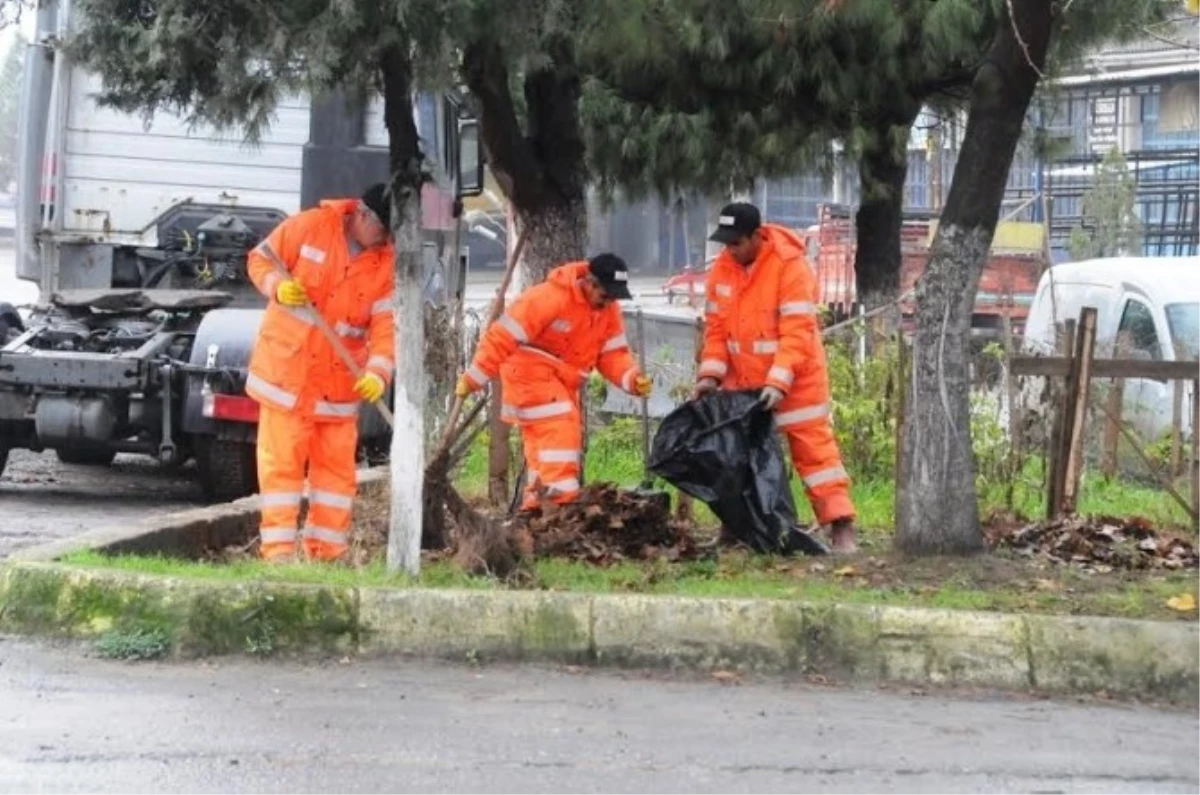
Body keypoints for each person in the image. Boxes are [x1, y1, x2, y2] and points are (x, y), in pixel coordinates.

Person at [244, 183, 397, 563]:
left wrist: (378, 374)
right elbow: (260, 261)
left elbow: (386, 328)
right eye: (383, 229)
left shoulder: (386, 264)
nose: (385, 239)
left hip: (337, 389)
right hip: (288, 380)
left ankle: (328, 554)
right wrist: (279, 288)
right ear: (362, 214)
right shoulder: (310, 227)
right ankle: (278, 555)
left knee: (335, 480)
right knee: (282, 471)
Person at [696, 202, 858, 552]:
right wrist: (710, 376)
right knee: (736, 455)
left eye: (736, 242)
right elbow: (716, 331)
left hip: (796, 380)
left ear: (757, 236)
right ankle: (736, 527)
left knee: (816, 454)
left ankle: (840, 526)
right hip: (743, 381)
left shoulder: (790, 267)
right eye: (726, 243)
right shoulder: (723, 269)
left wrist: (777, 382)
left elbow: (797, 332)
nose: (730, 250)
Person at [456, 254, 653, 511]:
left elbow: (613, 355)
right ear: (589, 283)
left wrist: (632, 379)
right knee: (561, 430)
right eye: (606, 296)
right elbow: (501, 338)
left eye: (614, 298)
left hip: (561, 383)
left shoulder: (607, 311)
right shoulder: (547, 298)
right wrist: (474, 378)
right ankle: (559, 505)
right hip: (529, 374)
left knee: (543, 452)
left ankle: (536, 508)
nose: (609, 303)